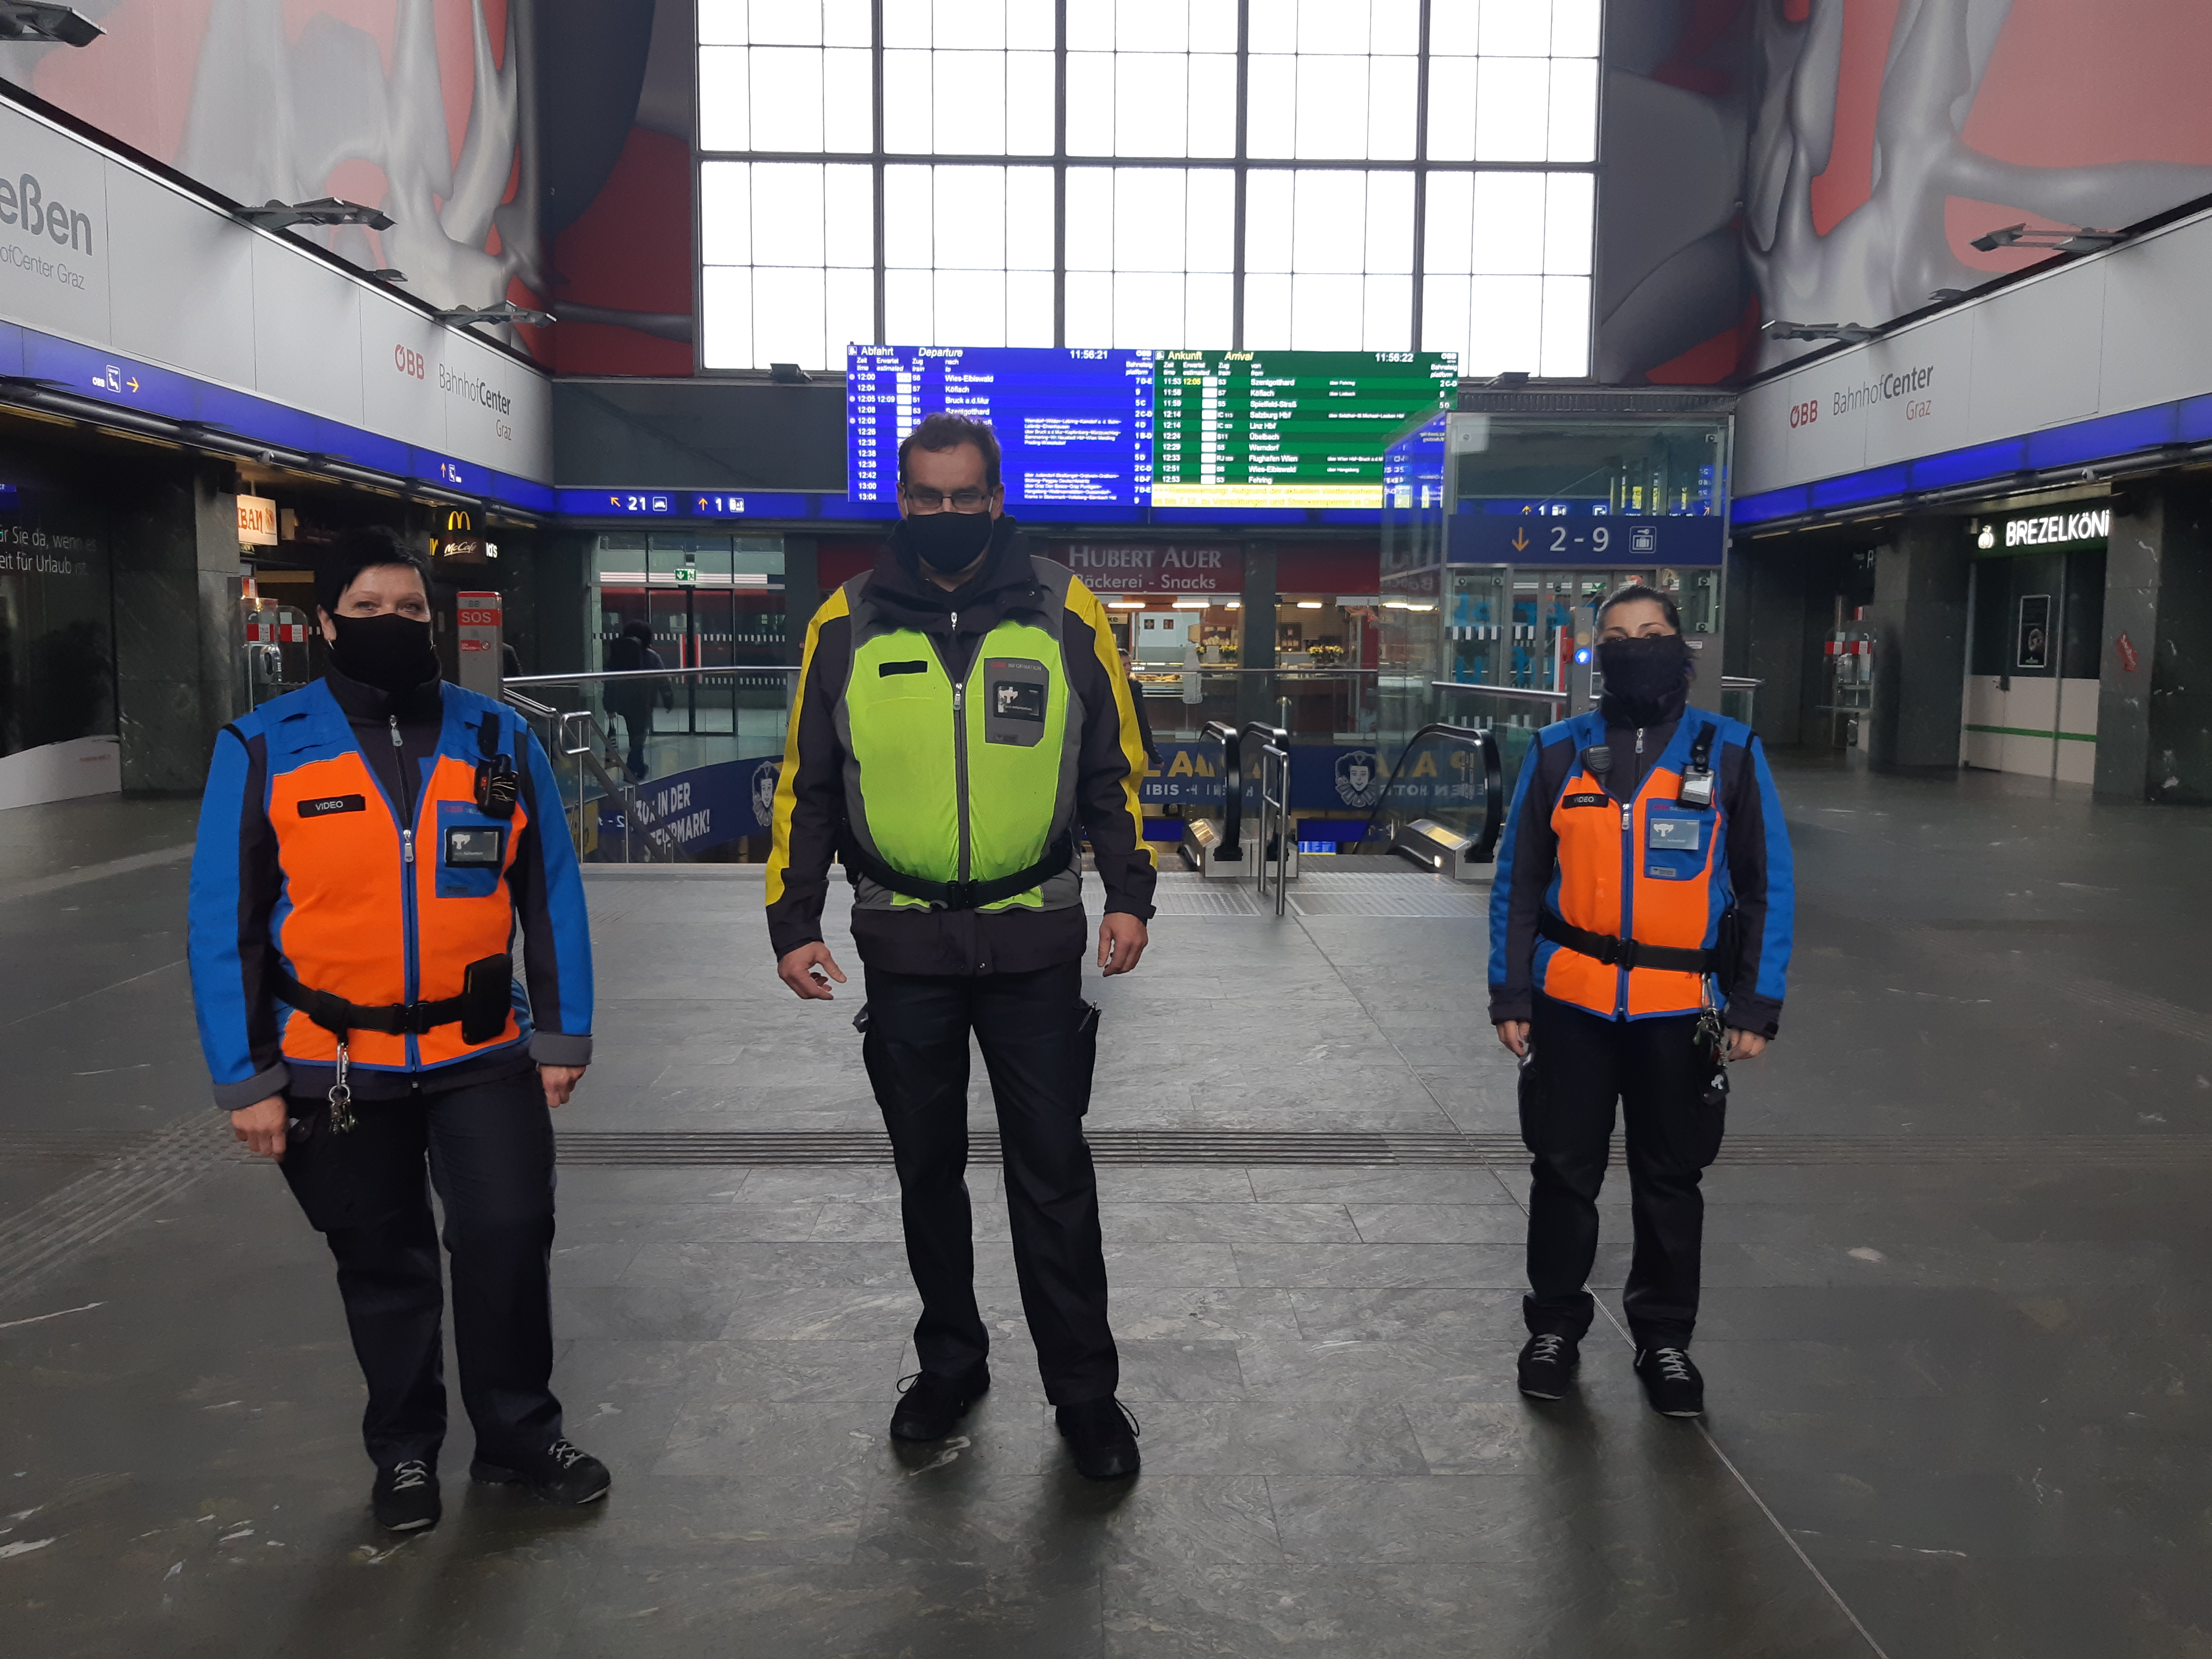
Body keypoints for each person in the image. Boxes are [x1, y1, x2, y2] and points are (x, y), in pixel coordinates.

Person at [187, 526, 606, 1533]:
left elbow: (548, 893)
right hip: (334, 1064)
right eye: (367, 611)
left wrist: (562, 1033)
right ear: (325, 622)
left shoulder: (499, 740)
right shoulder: (262, 747)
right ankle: (406, 1452)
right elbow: (225, 922)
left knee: (507, 1235)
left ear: (435, 618)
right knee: (385, 1266)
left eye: (410, 611)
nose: (392, 625)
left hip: (481, 1055)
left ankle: (516, 1433)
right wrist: (245, 1081)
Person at [765, 411, 1157, 1480]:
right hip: (904, 949)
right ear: (905, 501)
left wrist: (1132, 894)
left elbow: (1112, 768)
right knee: (926, 1172)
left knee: (1053, 1177)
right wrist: (790, 921)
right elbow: (806, 786)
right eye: (925, 497)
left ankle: (1086, 1395)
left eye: (963, 496)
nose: (944, 514)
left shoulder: (1064, 608)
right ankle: (951, 1364)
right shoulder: (845, 621)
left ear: (995, 498)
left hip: (1035, 941)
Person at [1488, 582, 1793, 1418]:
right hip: (1570, 1001)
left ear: (1679, 643)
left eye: (1651, 632)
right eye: (1616, 636)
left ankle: (1663, 1341)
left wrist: (1753, 1003)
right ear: (1595, 652)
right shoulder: (1557, 752)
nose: (1634, 645)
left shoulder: (1728, 752)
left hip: (1678, 1006)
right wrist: (1509, 990)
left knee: (1669, 1178)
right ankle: (1553, 1324)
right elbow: (1516, 885)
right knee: (1561, 1172)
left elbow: (1768, 888)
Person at [602, 619, 672, 780]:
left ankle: (637, 766)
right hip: (643, 702)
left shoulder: (617, 656)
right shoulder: (650, 656)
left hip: (622, 702)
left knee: (633, 733)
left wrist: (609, 704)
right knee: (639, 735)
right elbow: (662, 679)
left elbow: (609, 680)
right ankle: (634, 767)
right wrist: (668, 698)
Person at [1118, 645, 1162, 769]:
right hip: (1122, 748)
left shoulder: (1133, 688)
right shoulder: (1133, 688)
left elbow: (1142, 721)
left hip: (1124, 746)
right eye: (1124, 665)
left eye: (1129, 665)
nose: (1129, 669)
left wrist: (1153, 754)